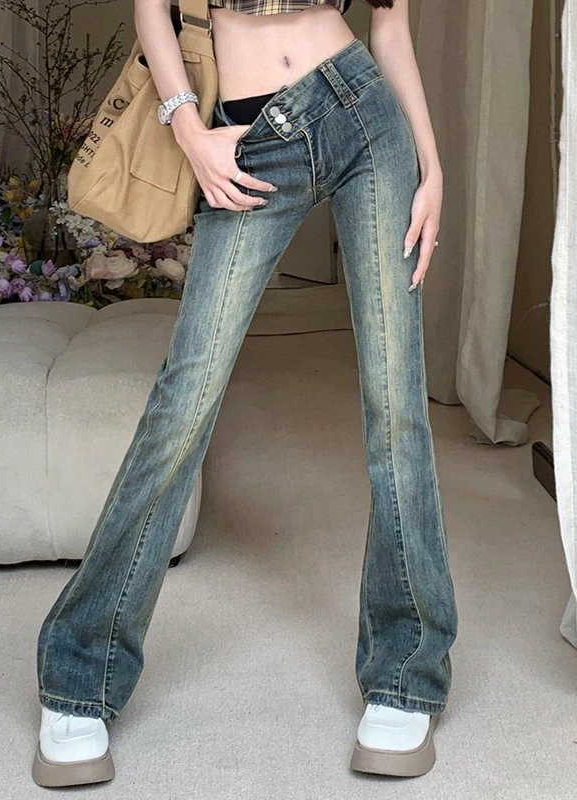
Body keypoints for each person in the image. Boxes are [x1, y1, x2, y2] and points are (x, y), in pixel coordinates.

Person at [32, 0, 458, 787]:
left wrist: (432, 169)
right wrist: (188, 129)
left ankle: (407, 671)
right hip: (247, 139)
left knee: (397, 403)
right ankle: (82, 674)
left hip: (363, 115)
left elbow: (391, 26)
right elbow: (152, 8)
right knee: (184, 401)